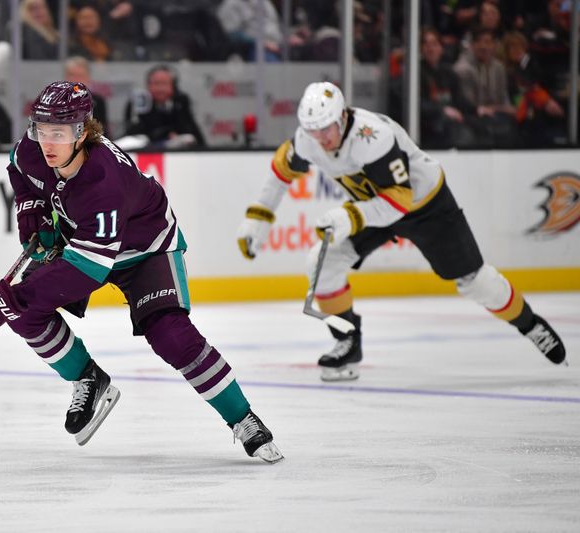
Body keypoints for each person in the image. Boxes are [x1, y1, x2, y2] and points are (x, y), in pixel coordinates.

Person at [0, 81, 282, 463]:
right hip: (86, 242)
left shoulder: (104, 180)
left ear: (82, 131)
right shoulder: (34, 150)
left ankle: (242, 418)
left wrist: (6, 298)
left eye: (58, 133)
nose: (47, 142)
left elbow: (87, 271)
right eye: (41, 130)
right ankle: (88, 379)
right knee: (25, 313)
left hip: (145, 250)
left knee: (170, 336)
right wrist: (31, 208)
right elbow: (19, 171)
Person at [236, 81, 567, 382]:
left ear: (343, 117)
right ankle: (347, 343)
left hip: (425, 205)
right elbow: (281, 169)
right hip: (370, 208)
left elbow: (399, 200)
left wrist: (350, 216)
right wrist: (259, 217)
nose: (320, 139)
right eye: (312, 130)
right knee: (321, 264)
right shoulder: (308, 140)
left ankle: (530, 324)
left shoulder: (373, 136)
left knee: (475, 282)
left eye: (325, 129)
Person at [123, 64, 206, 149]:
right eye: (156, 83)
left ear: (173, 86)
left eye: (164, 84)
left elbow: (190, 130)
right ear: (148, 86)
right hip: (145, 150)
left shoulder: (180, 101)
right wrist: (165, 133)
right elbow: (134, 132)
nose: (160, 89)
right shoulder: (140, 101)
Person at [64, 55, 108, 134]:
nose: (75, 79)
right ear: (66, 76)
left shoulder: (97, 101)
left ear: (88, 78)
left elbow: (103, 133)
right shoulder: (55, 100)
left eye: (80, 76)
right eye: (72, 75)